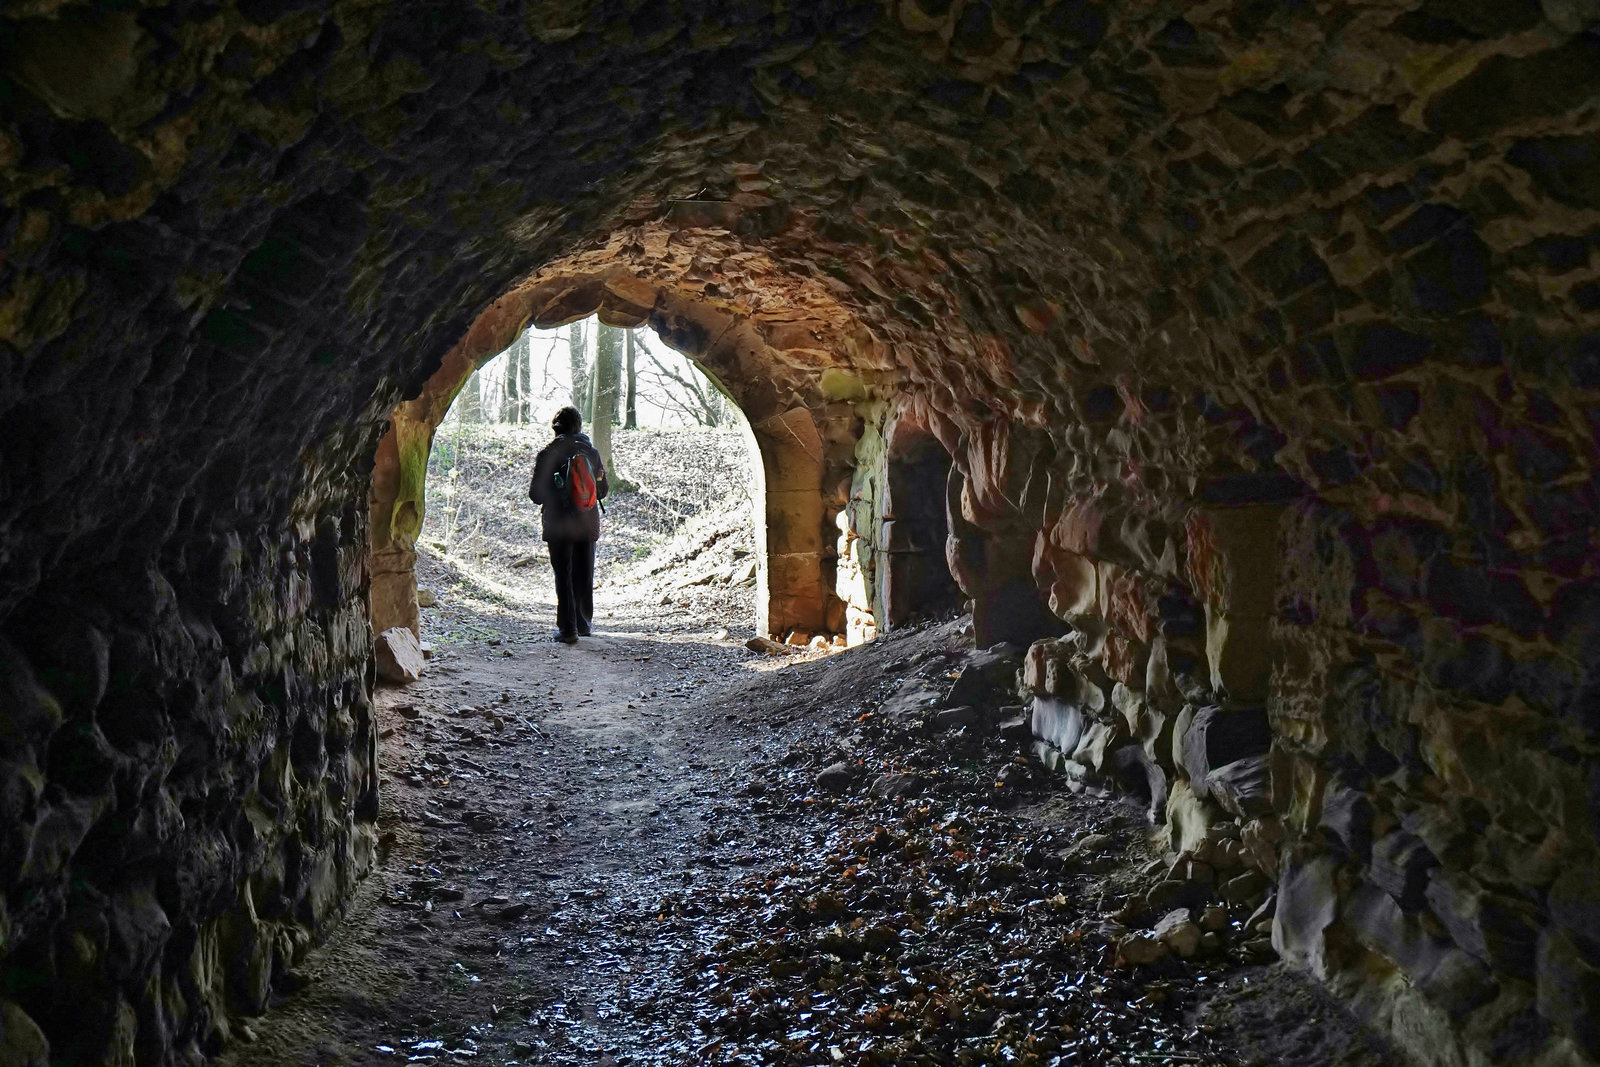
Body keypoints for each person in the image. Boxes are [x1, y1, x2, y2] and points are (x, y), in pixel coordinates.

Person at [528, 406, 609, 643]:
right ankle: (584, 625)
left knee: (563, 574)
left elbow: (535, 495)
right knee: (584, 574)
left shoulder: (548, 453)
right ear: (579, 427)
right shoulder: (591, 452)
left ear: (556, 429)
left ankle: (568, 629)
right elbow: (602, 491)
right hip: (587, 522)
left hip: (559, 523)